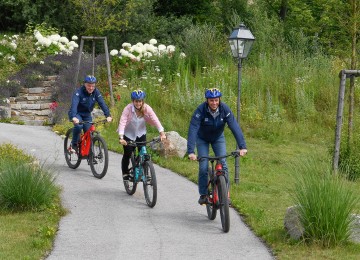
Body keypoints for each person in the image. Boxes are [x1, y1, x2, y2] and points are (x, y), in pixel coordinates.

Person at [187, 88, 247, 205]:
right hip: (202, 139)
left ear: (219, 99)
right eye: (211, 100)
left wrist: (242, 146)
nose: (214, 103)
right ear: (207, 101)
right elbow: (193, 129)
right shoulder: (200, 110)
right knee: (204, 166)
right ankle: (203, 194)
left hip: (218, 138)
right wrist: (191, 151)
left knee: (223, 164)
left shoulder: (225, 109)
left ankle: (226, 194)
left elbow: (234, 126)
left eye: (216, 100)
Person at [117, 89, 166, 180]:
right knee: (127, 153)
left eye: (140, 101)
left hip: (141, 133)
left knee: (143, 152)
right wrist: (121, 137)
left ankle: (145, 173)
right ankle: (125, 173)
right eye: (136, 101)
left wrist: (162, 133)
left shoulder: (147, 108)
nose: (138, 103)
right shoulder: (128, 109)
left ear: (143, 101)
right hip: (128, 134)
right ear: (133, 101)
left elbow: (155, 119)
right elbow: (122, 122)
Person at [68, 75, 112, 153]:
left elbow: (102, 103)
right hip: (77, 113)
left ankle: (90, 154)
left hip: (87, 114)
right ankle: (74, 145)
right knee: (79, 126)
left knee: (89, 133)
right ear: (85, 84)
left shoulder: (96, 92)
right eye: (89, 86)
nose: (91, 88)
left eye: (93, 86)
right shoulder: (78, 92)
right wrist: (74, 117)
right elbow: (74, 106)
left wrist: (108, 115)